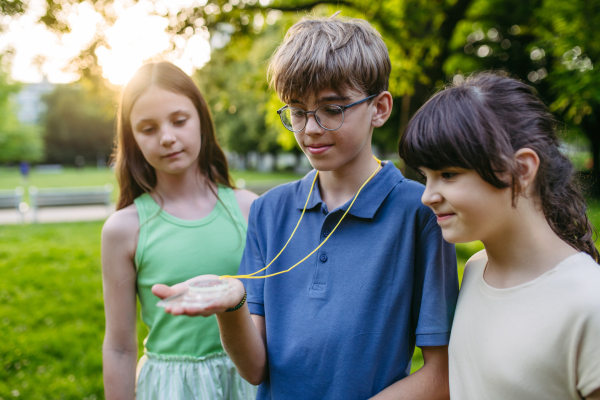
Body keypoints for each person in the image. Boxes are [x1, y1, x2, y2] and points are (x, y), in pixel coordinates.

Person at [154, 15, 459, 400]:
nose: (310, 128)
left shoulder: (420, 212)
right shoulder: (269, 211)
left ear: (379, 109)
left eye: (332, 109)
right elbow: (255, 370)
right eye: (297, 111)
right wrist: (232, 308)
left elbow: (442, 376)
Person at [398, 72, 600, 400]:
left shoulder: (588, 302)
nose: (427, 196)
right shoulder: (477, 269)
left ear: (522, 170)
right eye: (426, 177)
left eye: (448, 174)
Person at [101, 61, 257, 400]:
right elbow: (119, 348)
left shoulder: (249, 208)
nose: (167, 137)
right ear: (133, 140)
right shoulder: (123, 229)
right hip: (169, 389)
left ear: (201, 118)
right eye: (148, 128)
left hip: (247, 380)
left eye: (179, 120)